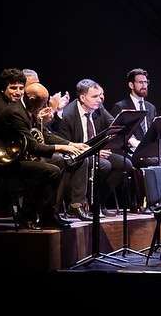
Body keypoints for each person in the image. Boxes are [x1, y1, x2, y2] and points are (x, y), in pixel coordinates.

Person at [0, 83, 86, 228]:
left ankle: (51, 214)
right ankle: (33, 214)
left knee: (62, 162)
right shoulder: (16, 113)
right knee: (51, 170)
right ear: (31, 99)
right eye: (42, 103)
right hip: (10, 162)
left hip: (22, 157)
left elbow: (45, 135)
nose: (43, 106)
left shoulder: (29, 109)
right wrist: (62, 148)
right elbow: (34, 147)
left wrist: (71, 144)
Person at [56, 79, 131, 219]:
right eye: (95, 96)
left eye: (100, 95)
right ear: (83, 98)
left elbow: (114, 124)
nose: (99, 99)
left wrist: (131, 139)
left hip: (96, 151)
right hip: (78, 154)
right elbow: (66, 144)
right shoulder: (68, 114)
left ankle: (99, 203)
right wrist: (94, 150)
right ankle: (79, 204)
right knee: (105, 165)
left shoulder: (99, 108)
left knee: (125, 164)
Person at [110, 68, 157, 156]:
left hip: (149, 150)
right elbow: (116, 135)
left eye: (146, 82)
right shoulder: (120, 107)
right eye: (140, 82)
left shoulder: (151, 107)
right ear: (131, 85)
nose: (144, 85)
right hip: (129, 151)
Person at [0, 68, 25, 135]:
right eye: (13, 88)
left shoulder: (20, 103)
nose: (18, 92)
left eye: (21, 88)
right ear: (3, 89)